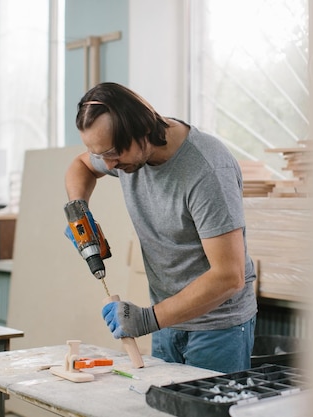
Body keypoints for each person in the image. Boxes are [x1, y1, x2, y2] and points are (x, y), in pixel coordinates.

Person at [65, 82, 257, 373]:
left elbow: (229, 276)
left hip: (218, 329)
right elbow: (81, 165)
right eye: (101, 154)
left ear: (142, 128)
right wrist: (79, 210)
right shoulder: (121, 156)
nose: (109, 164)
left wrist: (146, 319)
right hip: (167, 322)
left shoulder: (206, 170)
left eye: (114, 153)